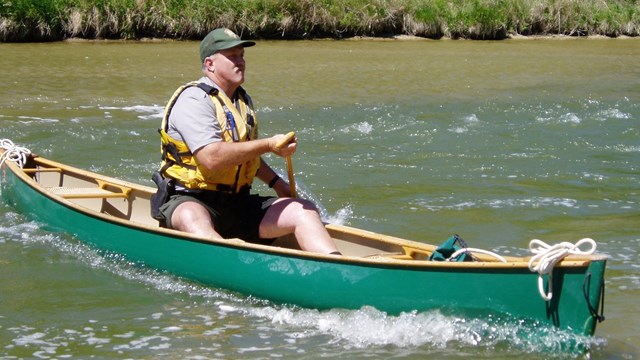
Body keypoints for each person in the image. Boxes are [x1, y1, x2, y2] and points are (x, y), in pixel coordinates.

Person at [154, 28, 341, 255]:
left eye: (241, 55)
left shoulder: (241, 99)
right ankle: (229, 263)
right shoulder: (193, 100)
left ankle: (336, 266)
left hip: (237, 203)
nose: (240, 61)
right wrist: (269, 144)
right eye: (232, 56)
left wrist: (278, 185)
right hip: (191, 198)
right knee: (190, 217)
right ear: (210, 64)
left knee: (303, 210)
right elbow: (212, 158)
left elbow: (243, 156)